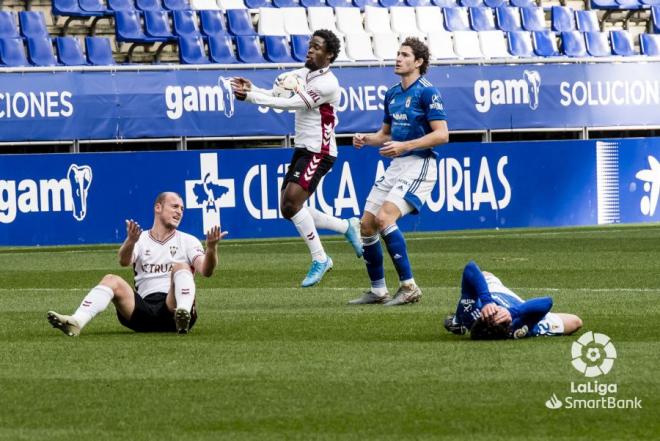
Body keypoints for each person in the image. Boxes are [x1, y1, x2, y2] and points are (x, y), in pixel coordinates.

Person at [230, 29, 362, 288]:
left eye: (317, 47)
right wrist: (253, 88)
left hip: (320, 151)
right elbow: (278, 95)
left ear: (329, 55)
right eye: (310, 45)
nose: (310, 50)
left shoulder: (328, 84)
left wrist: (251, 98)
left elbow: (293, 104)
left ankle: (321, 258)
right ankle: (346, 226)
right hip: (304, 149)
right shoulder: (301, 74)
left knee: (291, 205)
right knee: (290, 207)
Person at [348, 38, 449, 306]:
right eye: (397, 54)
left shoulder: (427, 92)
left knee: (384, 218)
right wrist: (366, 140)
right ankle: (378, 290)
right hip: (398, 164)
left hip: (420, 163)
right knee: (367, 225)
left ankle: (409, 287)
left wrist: (405, 145)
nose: (398, 58)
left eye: (405, 55)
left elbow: (442, 135)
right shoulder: (392, 93)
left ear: (418, 62)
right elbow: (385, 134)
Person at [47, 192, 226, 336]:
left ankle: (183, 315)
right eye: (174, 206)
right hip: (143, 310)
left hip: (172, 306)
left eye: (182, 208)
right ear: (158, 207)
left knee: (181, 267)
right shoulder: (141, 239)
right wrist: (131, 240)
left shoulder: (188, 240)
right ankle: (76, 321)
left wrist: (211, 249)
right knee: (111, 279)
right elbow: (124, 261)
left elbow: (206, 270)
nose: (179, 211)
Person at [443, 261, 583, 339]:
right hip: (522, 309)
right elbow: (547, 301)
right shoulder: (516, 326)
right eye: (497, 315)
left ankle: (457, 321)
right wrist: (513, 312)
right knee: (575, 322)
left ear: (482, 316)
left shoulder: (471, 314)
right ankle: (538, 322)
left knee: (484, 275)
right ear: (508, 325)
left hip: (493, 291)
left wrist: (487, 302)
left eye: (491, 314)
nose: (494, 312)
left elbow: (471, 268)